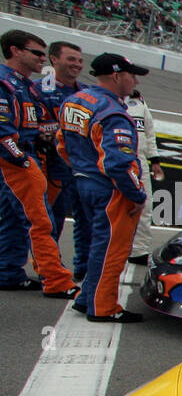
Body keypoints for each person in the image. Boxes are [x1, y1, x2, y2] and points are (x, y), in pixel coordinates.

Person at [57, 53, 152, 321]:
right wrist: (137, 195)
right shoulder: (113, 112)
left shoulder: (75, 100)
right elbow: (118, 164)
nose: (134, 80)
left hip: (83, 182)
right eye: (131, 75)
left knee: (97, 246)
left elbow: (61, 144)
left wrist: (80, 171)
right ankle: (104, 307)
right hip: (110, 189)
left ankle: (87, 298)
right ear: (116, 76)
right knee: (112, 250)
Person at [0, 29, 77, 296]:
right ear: (14, 51)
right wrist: (21, 160)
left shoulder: (27, 85)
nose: (42, 59)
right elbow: (3, 131)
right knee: (40, 222)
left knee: (13, 219)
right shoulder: (4, 82)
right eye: (36, 53)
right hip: (15, 161)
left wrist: (47, 135)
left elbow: (37, 123)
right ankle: (56, 281)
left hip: (26, 155)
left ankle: (8, 272)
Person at [38, 40, 91, 280]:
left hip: (83, 167)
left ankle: (84, 266)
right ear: (54, 59)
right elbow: (34, 127)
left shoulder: (87, 93)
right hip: (54, 167)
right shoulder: (39, 90)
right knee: (52, 220)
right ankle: (47, 268)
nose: (77, 65)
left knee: (87, 220)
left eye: (79, 60)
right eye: (71, 59)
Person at [125, 87, 163, 264]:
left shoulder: (139, 101)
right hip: (117, 160)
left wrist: (154, 160)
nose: (135, 81)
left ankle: (139, 250)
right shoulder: (107, 100)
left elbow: (149, 132)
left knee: (145, 205)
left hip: (140, 161)